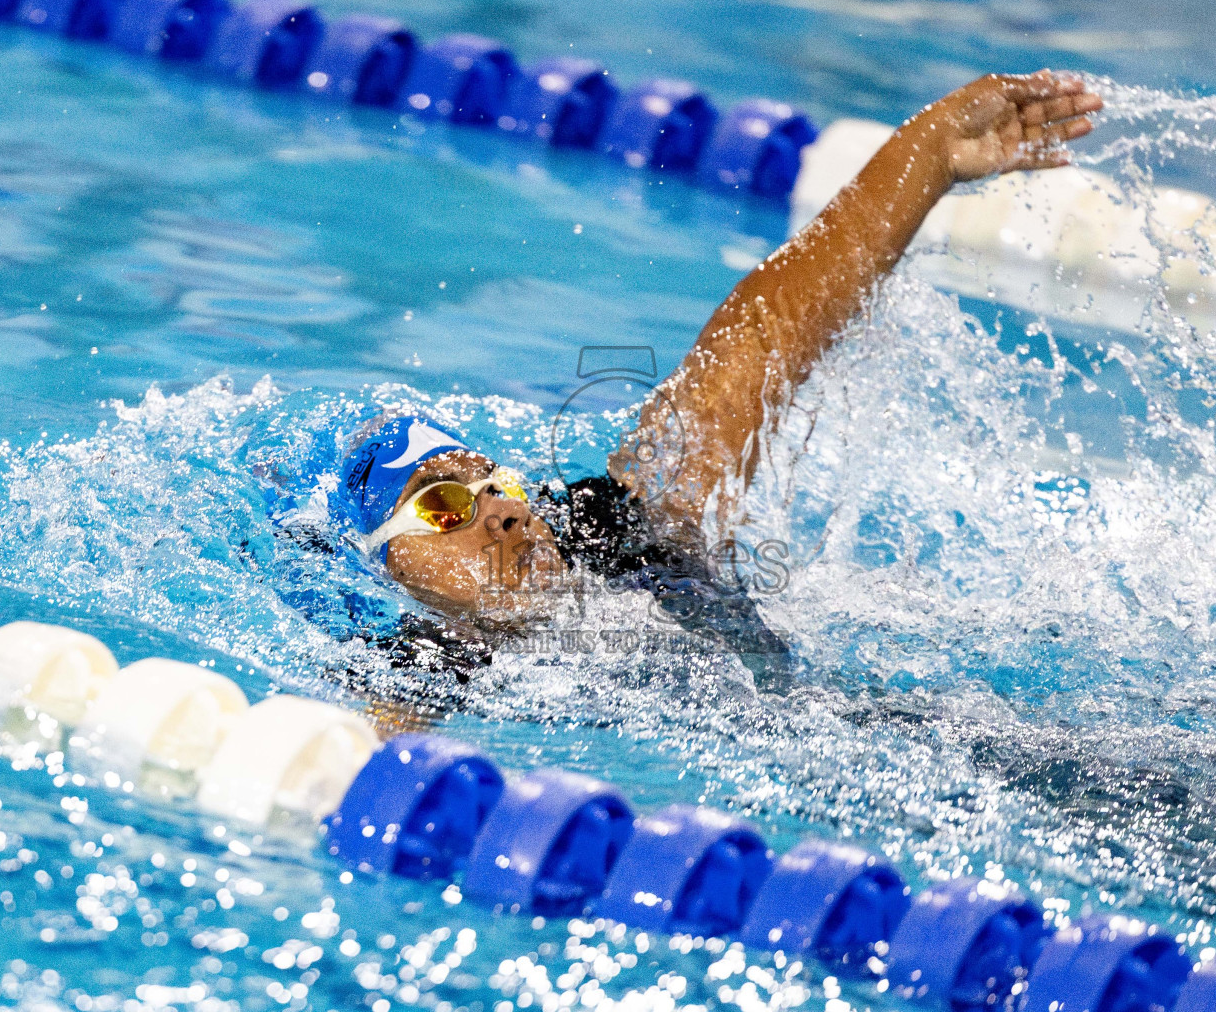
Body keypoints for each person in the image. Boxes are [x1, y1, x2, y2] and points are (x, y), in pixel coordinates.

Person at [324, 71, 1103, 689]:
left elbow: (760, 341)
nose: (498, 514)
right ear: (381, 563)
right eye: (442, 505)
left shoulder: (616, 540)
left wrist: (927, 153)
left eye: (498, 485)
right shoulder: (421, 665)